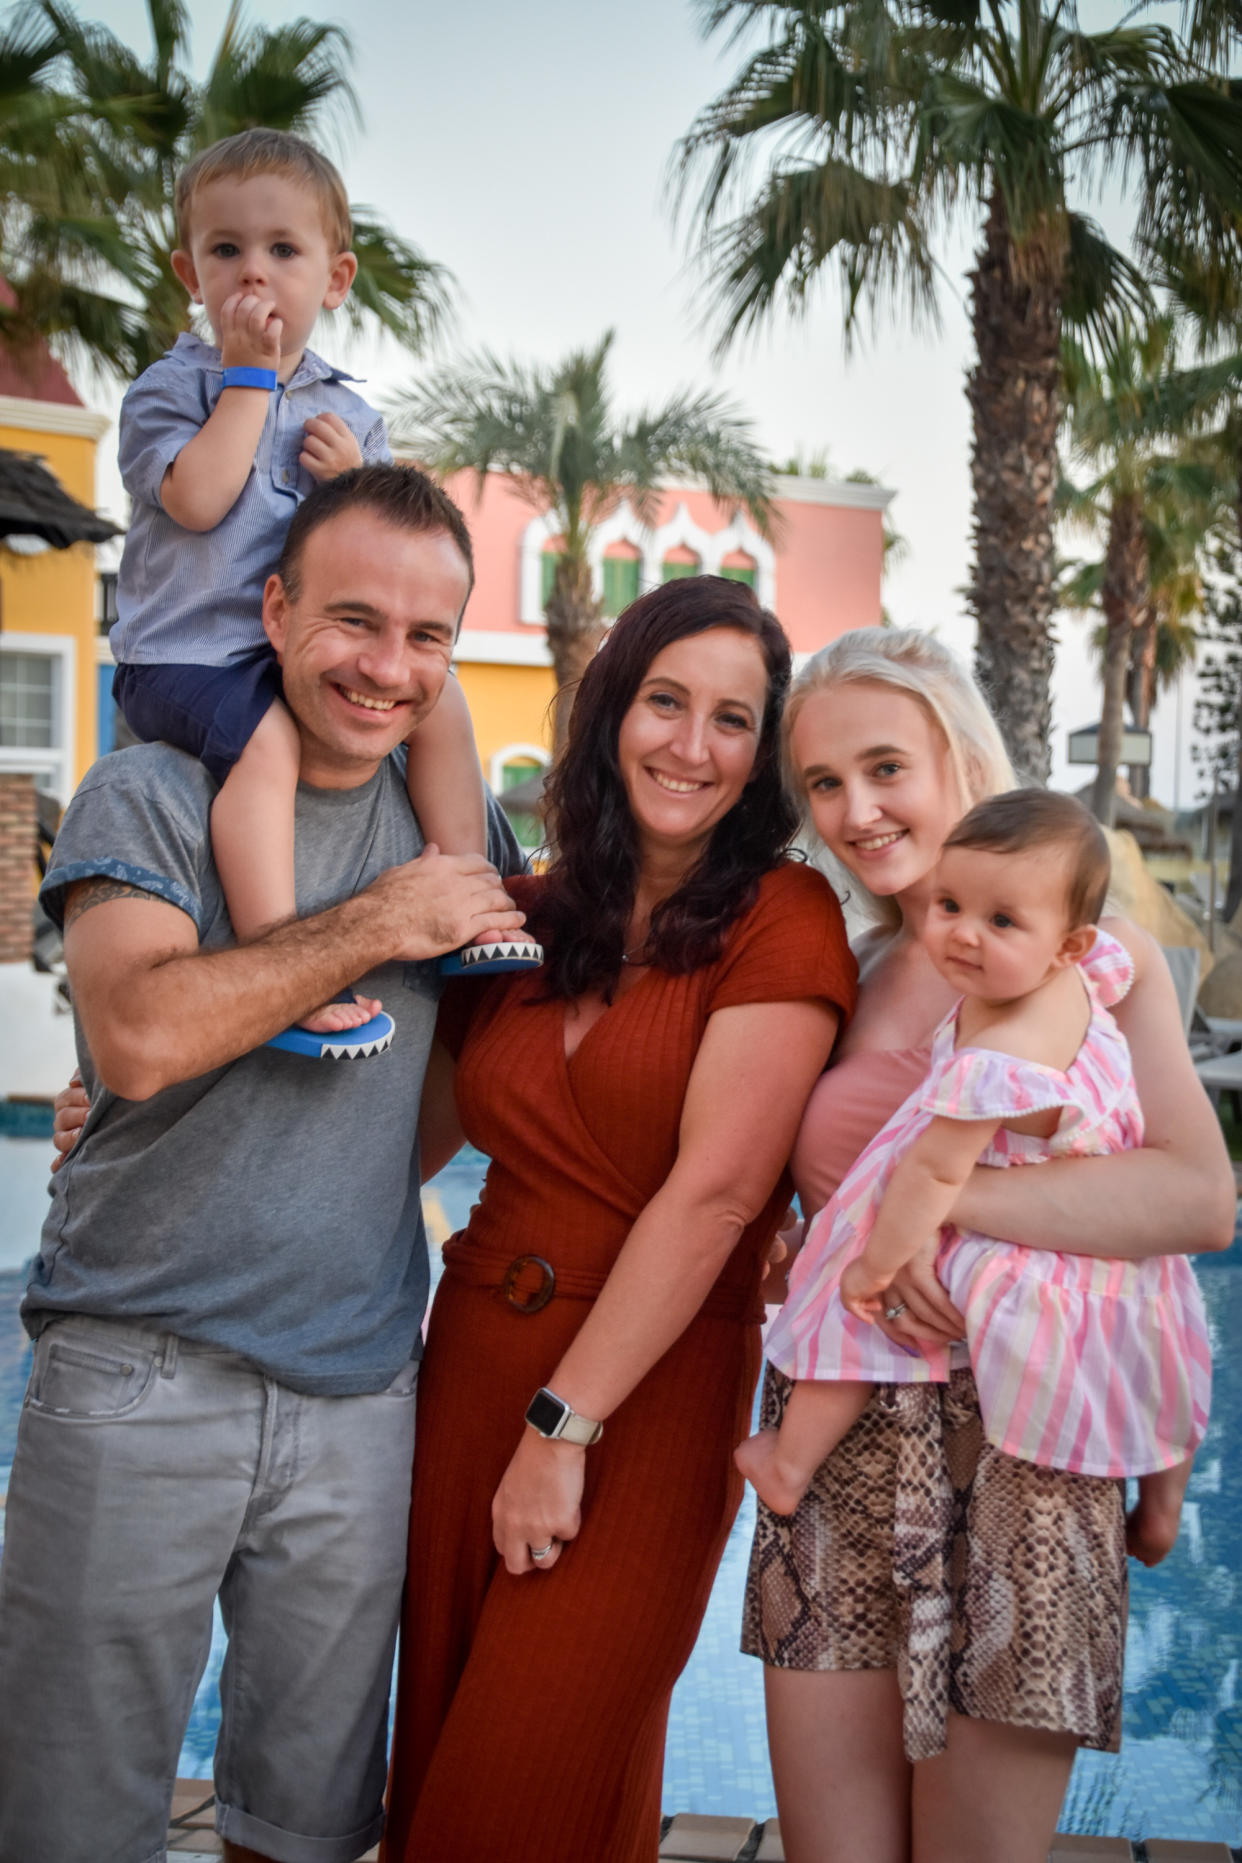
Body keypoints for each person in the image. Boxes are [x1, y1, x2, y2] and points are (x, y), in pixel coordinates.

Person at [0, 465, 527, 1863]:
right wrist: (378, 921)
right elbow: (141, 1031)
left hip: (360, 1388)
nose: (387, 666)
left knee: (305, 1826)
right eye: (355, 620)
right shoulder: (153, 789)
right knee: (67, 1816)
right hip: (136, 1369)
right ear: (276, 608)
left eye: (428, 636)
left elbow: (488, 1069)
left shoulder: (457, 824)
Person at [380, 576, 858, 1863]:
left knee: (509, 1792)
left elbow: (714, 1198)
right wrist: (153, 1116)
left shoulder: (783, 919)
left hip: (638, 1401)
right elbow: (400, 1137)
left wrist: (563, 1427)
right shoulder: (526, 921)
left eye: (732, 720)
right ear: (611, 712)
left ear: (763, 754)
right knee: (453, 1759)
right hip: (469, 1362)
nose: (690, 747)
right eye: (664, 702)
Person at [741, 628, 1235, 1863]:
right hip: (841, 1444)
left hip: (1028, 1445)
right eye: (824, 784)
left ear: (958, 752)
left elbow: (1196, 1201)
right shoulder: (841, 968)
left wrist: (936, 1196)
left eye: (885, 766)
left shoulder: (1098, 969)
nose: (856, 810)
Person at [110, 128, 534, 1048]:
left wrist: (349, 482)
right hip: (187, 658)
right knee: (267, 744)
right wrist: (249, 382)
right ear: (191, 270)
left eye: (283, 251)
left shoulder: (352, 414)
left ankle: (469, 891)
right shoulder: (167, 391)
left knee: (448, 698)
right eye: (226, 251)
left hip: (296, 652)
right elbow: (195, 497)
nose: (252, 276)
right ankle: (281, 956)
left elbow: (388, 552)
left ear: (334, 280)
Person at [739, 788, 1210, 1567]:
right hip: (1122, 1260)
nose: (960, 933)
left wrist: (872, 1264)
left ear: (1066, 944)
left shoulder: (994, 1060)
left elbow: (930, 1170)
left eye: (1000, 921)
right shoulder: (1089, 982)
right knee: (1162, 1350)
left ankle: (788, 1462)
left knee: (852, 1308)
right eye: (950, 904)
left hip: (1017, 1262)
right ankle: (1159, 1510)